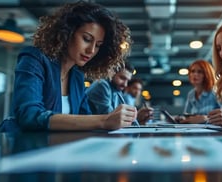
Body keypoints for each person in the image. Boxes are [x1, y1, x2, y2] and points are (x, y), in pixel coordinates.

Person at [10, 1, 136, 131]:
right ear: (67, 33)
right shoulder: (34, 59)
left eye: (98, 45)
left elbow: (85, 117)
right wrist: (105, 120)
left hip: (61, 148)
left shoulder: (76, 75)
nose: (91, 50)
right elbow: (29, 115)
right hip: (27, 148)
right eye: (87, 39)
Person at [86, 62, 153, 125]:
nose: (125, 85)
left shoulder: (117, 91)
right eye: (122, 78)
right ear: (112, 73)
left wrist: (137, 119)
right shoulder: (102, 85)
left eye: (127, 81)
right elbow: (111, 118)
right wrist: (135, 118)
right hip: (87, 133)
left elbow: (117, 118)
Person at [176, 60, 220, 124]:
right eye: (192, 71)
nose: (195, 74)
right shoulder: (191, 94)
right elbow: (186, 114)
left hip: (213, 132)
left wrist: (206, 119)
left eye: (200, 72)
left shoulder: (215, 92)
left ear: (207, 74)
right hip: (193, 131)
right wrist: (181, 118)